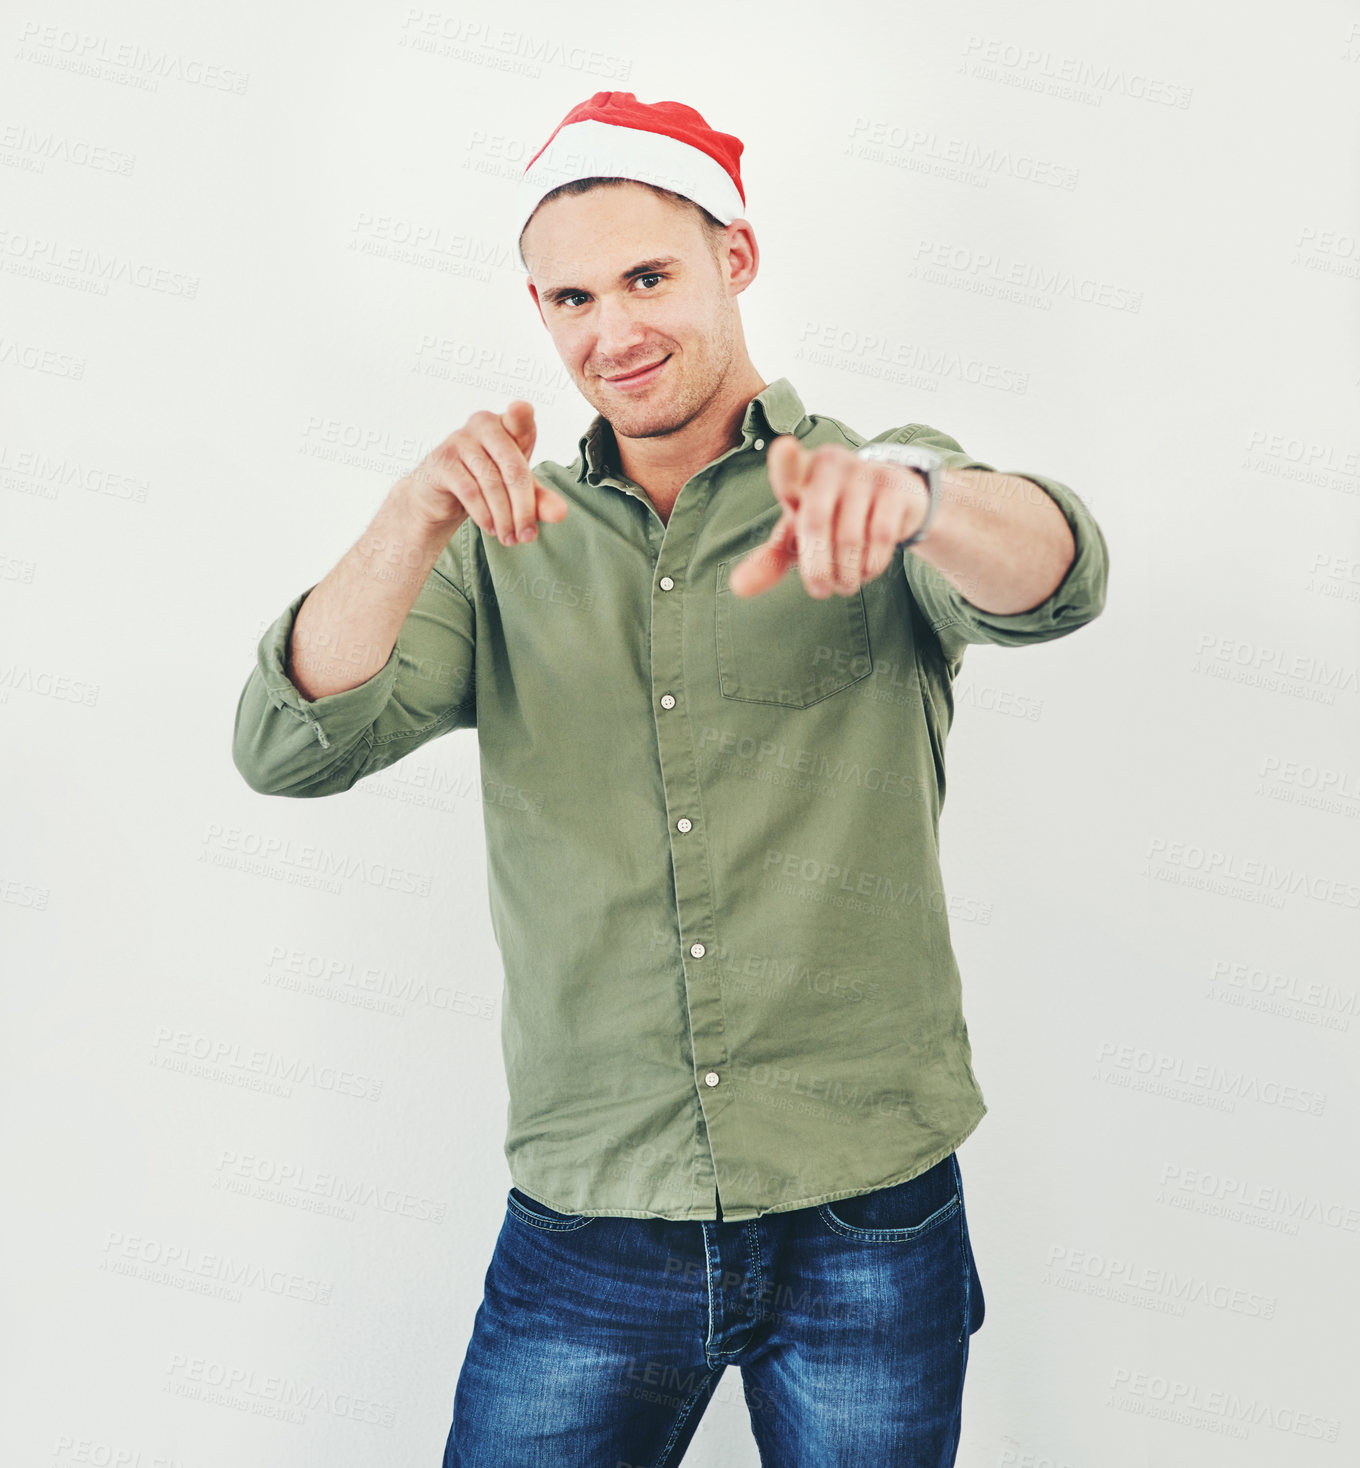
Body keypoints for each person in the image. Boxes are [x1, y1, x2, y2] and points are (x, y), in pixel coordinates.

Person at [232, 90, 1109, 1467]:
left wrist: (925, 503)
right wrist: (407, 520)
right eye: (573, 298)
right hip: (595, 1216)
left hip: (867, 1208)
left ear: (735, 259)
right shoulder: (497, 540)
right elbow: (288, 746)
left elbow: (1058, 579)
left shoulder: (870, 487)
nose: (614, 331)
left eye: (648, 277)